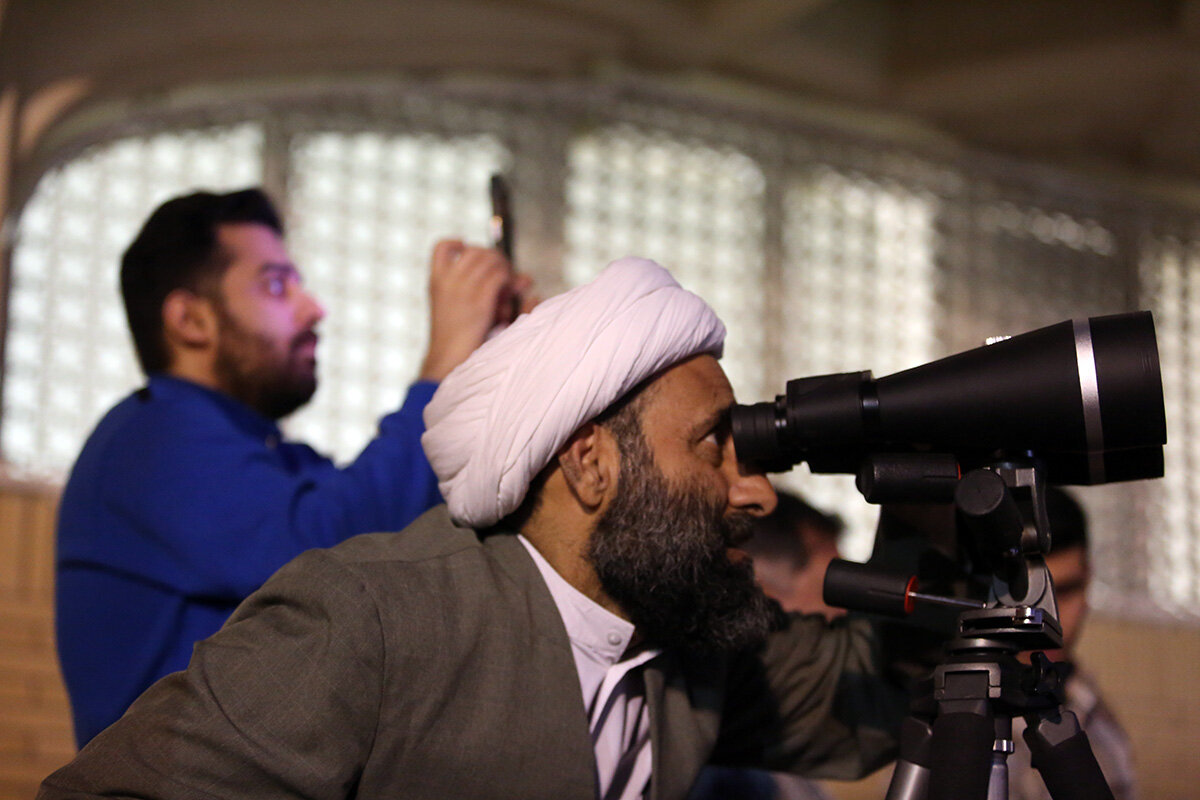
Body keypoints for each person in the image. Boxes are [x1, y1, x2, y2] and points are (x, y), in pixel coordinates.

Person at [40, 257, 914, 800]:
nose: (757, 494)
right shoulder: (369, 621)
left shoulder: (683, 640)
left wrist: (929, 491)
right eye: (714, 445)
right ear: (590, 464)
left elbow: (881, 695)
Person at [54, 187, 528, 747]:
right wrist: (448, 359)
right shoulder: (148, 440)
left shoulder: (273, 459)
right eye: (276, 285)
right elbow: (340, 551)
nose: (313, 308)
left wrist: (504, 369)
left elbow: (416, 540)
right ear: (190, 320)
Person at [690, 490, 848, 800]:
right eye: (837, 592)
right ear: (762, 597)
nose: (847, 613)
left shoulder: (770, 741)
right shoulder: (715, 767)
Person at [1007, 488, 1138, 800]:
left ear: (1088, 578)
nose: (1049, 621)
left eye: (1065, 592)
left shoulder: (1087, 704)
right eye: (1029, 601)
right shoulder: (955, 731)